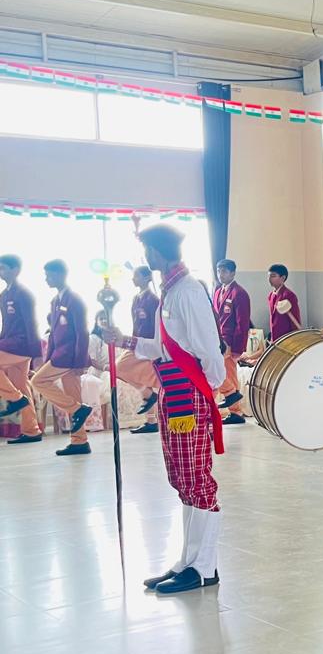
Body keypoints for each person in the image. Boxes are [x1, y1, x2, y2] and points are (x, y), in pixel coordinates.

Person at [100, 223, 225, 593]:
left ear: (156, 252)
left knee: (197, 478)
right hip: (171, 389)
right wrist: (124, 339)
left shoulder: (188, 290)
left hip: (190, 393)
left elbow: (209, 347)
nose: (145, 257)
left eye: (147, 251)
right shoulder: (168, 292)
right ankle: (187, 561)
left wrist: (208, 389)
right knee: (182, 478)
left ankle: (204, 567)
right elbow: (162, 347)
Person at [31, 259, 92, 456]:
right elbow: (53, 335)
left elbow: (82, 332)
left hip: (69, 357)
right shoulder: (55, 301)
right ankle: (80, 441)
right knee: (73, 396)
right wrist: (48, 359)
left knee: (37, 381)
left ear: (60, 275)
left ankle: (77, 409)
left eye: (49, 275)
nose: (46, 279)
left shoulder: (75, 300)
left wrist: (80, 361)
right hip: (59, 355)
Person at [112, 265, 162, 436]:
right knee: (129, 373)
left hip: (148, 346)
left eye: (137, 276)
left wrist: (150, 347)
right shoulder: (136, 299)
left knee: (119, 367)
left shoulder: (153, 300)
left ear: (147, 278)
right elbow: (136, 324)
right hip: (136, 343)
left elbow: (155, 327)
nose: (133, 279)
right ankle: (151, 420)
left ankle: (149, 397)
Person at [0, 255, 44, 444]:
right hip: (9, 344)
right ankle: (32, 431)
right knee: (21, 385)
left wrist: (37, 354)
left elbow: (32, 324)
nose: (0, 272)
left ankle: (16, 399)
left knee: (19, 392)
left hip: (21, 346)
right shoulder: (4, 295)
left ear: (16, 270)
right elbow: (6, 325)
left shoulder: (24, 294)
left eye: (3, 268)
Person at [212, 259, 251, 425]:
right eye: (218, 271)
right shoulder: (217, 291)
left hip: (231, 342)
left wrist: (238, 348)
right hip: (219, 341)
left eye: (224, 271)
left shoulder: (239, 293)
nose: (220, 274)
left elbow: (243, 323)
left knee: (226, 373)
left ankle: (235, 410)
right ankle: (233, 411)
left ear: (233, 273)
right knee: (225, 373)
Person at [266, 264, 302, 343]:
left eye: (273, 276)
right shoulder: (271, 295)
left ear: (282, 278)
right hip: (275, 338)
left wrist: (296, 339)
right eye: (268, 276)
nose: (269, 279)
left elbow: (295, 319)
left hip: (287, 339)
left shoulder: (289, 295)